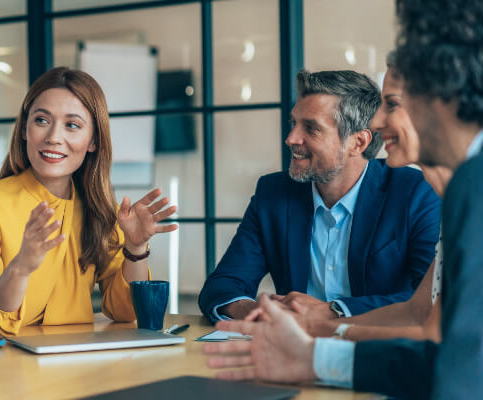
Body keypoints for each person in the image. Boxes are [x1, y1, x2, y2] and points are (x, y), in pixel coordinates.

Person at [203, 0, 483, 398]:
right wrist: (306, 340)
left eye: (394, 104)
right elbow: (425, 325)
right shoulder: (274, 193)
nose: (380, 121)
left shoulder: (453, 189)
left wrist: (320, 333)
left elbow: (452, 363)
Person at [198, 69, 441, 321]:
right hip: (290, 350)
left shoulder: (416, 193)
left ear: (358, 143)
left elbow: (432, 299)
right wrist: (256, 311)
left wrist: (332, 311)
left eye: (311, 128)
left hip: (375, 351)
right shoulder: (273, 193)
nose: (291, 138)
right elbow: (222, 286)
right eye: (294, 124)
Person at [0, 67, 178, 337]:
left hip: (70, 360)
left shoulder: (99, 211)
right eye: (41, 120)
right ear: (25, 129)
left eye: (72, 125)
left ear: (93, 140)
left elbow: (125, 311)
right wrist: (21, 267)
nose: (53, 137)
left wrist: (136, 247)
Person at [278, 55, 452, 343]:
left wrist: (321, 357)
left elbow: (438, 342)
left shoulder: (461, 200)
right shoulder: (458, 200)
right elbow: (416, 312)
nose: (378, 120)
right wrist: (310, 334)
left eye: (392, 105)